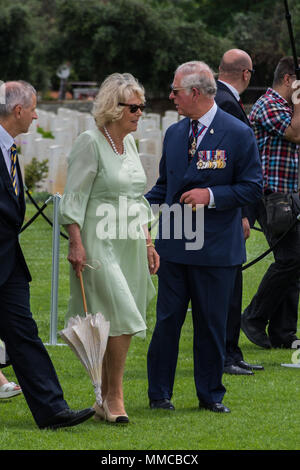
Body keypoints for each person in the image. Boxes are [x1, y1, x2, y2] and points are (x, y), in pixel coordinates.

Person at [145, 61, 263, 413]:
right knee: (167, 321)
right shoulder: (175, 133)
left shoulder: (238, 133)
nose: (171, 97)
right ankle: (159, 394)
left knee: (211, 324)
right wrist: (136, 202)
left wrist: (210, 197)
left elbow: (252, 187)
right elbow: (166, 186)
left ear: (195, 92)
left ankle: (210, 395)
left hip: (214, 248)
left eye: (176, 91)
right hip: (174, 242)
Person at [59, 73, 159, 424]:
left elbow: (136, 197)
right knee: (125, 315)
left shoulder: (129, 145)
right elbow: (73, 196)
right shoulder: (90, 141)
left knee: (114, 319)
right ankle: (114, 395)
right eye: (134, 107)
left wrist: (148, 242)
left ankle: (101, 396)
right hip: (97, 240)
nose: (140, 113)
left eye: (142, 107)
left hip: (130, 239)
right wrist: (75, 242)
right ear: (114, 108)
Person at [0, 80, 95, 429]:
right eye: (34, 108)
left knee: (24, 334)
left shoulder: (9, 149)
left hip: (8, 265)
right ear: (18, 110)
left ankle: (52, 410)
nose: (38, 114)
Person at [241, 56, 300, 349]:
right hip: (272, 196)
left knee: (293, 263)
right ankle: (253, 316)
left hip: (291, 195)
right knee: (291, 259)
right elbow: (295, 133)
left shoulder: (288, 107)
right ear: (289, 79)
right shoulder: (269, 104)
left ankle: (284, 332)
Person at [215, 49, 264, 375]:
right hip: (230, 209)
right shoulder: (227, 102)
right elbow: (233, 163)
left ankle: (232, 351)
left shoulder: (220, 97)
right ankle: (227, 355)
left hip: (231, 208)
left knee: (233, 284)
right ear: (247, 74)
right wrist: (244, 212)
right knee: (228, 288)